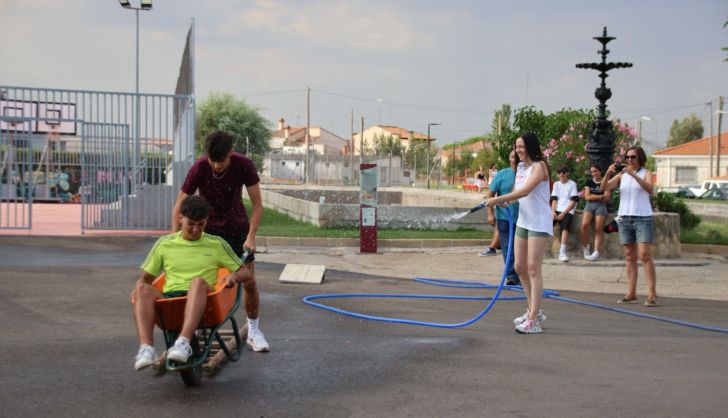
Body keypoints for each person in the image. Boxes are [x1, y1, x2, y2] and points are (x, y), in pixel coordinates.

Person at [171, 130, 269, 352]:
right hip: (206, 232)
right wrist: (175, 240)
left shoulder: (243, 165)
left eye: (221, 161)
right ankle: (190, 331)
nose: (216, 166)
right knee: (195, 281)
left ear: (230, 153)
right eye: (212, 161)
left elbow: (258, 205)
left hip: (237, 231)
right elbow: (179, 205)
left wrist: (251, 236)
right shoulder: (199, 167)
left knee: (250, 281)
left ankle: (254, 330)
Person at [132, 195, 253, 370]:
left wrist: (233, 277)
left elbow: (245, 271)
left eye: (201, 224)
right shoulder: (165, 244)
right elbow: (145, 279)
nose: (196, 230)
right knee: (142, 289)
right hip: (171, 300)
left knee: (197, 282)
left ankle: (183, 342)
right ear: (180, 218)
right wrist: (138, 289)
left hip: (206, 300)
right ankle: (146, 348)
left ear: (206, 221)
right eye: (191, 224)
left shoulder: (216, 244)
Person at [486, 133, 552, 334]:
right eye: (517, 147)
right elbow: (517, 191)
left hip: (538, 222)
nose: (518, 150)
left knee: (533, 268)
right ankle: (534, 309)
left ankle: (533, 320)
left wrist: (496, 200)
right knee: (519, 266)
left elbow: (526, 191)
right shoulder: (521, 168)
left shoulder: (539, 167)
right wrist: (507, 200)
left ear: (531, 146)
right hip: (523, 220)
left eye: (521, 146)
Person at [601, 146, 658, 307]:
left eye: (633, 157)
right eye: (627, 157)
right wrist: (608, 173)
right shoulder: (621, 175)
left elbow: (650, 189)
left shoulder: (645, 173)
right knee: (628, 255)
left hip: (642, 217)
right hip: (625, 217)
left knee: (644, 254)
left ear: (640, 158)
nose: (630, 160)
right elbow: (604, 187)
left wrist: (633, 175)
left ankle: (652, 293)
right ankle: (631, 292)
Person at [487, 150, 520, 286]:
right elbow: (490, 195)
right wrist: (490, 213)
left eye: (517, 157)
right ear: (509, 158)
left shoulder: (526, 174)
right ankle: (511, 276)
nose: (515, 159)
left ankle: (521, 274)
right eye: (512, 156)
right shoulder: (502, 174)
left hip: (523, 218)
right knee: (508, 247)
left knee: (521, 249)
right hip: (504, 217)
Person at [580, 164, 610, 261]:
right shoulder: (589, 182)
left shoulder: (606, 182)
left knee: (598, 229)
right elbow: (587, 197)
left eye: (595, 171)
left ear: (600, 171)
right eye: (592, 171)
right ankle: (585, 247)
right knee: (584, 225)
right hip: (589, 206)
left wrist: (594, 195)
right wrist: (600, 196)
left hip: (601, 207)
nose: (594, 173)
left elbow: (606, 199)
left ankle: (596, 252)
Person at [550, 166, 579, 262]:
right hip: (557, 209)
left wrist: (563, 214)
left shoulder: (572, 184)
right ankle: (539, 250)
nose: (561, 174)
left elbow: (573, 202)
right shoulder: (556, 184)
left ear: (567, 173)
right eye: (559, 172)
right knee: (545, 225)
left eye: (563, 172)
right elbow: (554, 199)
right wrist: (553, 211)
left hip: (568, 210)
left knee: (565, 227)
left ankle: (562, 253)